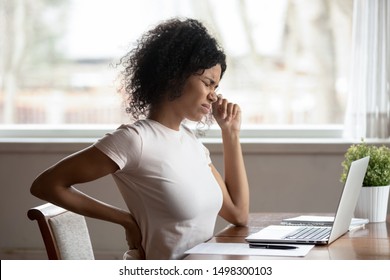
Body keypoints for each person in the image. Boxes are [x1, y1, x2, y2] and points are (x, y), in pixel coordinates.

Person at [30, 17, 249, 260]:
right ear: (175, 75)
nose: (213, 97)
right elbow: (46, 185)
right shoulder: (135, 140)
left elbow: (238, 215)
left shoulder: (192, 144)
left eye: (216, 88)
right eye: (208, 84)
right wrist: (125, 219)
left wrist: (230, 132)